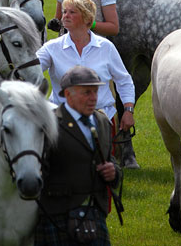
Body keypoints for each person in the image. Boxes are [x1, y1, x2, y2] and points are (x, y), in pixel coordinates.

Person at [34, 65, 122, 246]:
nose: (93, 98)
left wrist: (114, 171)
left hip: (95, 213)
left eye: (95, 92)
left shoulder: (103, 121)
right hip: (57, 215)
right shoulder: (49, 124)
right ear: (68, 95)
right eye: (86, 93)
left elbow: (109, 159)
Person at [37, 0, 135, 132]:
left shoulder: (106, 47)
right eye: (64, 11)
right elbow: (29, 71)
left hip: (102, 120)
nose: (65, 15)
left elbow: (124, 81)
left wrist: (128, 110)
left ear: (87, 19)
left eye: (72, 12)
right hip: (61, 121)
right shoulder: (51, 48)